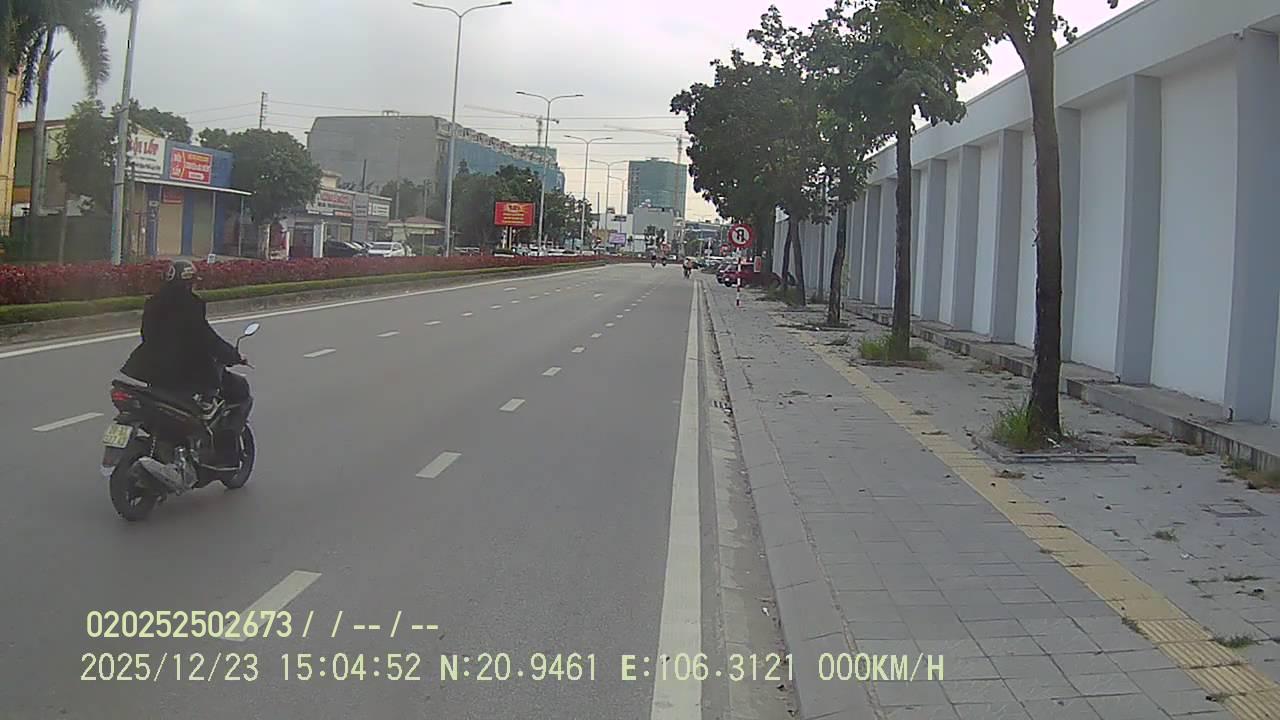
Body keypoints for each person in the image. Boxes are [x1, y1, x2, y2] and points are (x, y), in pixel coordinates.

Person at [121, 259, 252, 470]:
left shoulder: (153, 303)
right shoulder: (191, 304)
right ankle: (225, 452)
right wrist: (234, 356)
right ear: (190, 282)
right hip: (187, 374)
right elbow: (207, 338)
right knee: (237, 389)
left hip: (153, 373)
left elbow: (147, 334)